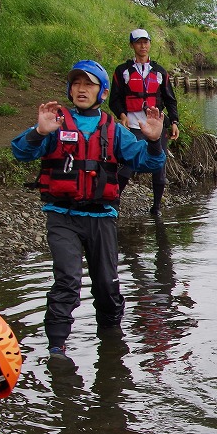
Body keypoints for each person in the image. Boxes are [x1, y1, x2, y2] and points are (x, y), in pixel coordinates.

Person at [11, 60, 166, 358]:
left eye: (89, 84)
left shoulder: (113, 130)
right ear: (70, 89)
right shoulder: (55, 123)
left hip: (101, 217)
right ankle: (57, 347)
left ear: (103, 92)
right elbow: (20, 151)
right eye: (77, 84)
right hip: (62, 216)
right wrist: (39, 133)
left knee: (107, 286)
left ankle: (111, 343)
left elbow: (148, 162)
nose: (82, 89)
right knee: (67, 281)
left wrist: (154, 140)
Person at [108, 29, 180, 217]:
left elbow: (170, 99)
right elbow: (114, 99)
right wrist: (122, 115)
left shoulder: (159, 72)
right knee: (127, 166)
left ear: (149, 44)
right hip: (132, 125)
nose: (143, 46)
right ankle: (114, 203)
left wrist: (174, 121)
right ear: (132, 45)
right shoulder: (122, 71)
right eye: (138, 42)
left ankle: (156, 207)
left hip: (155, 125)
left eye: (146, 42)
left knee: (159, 165)